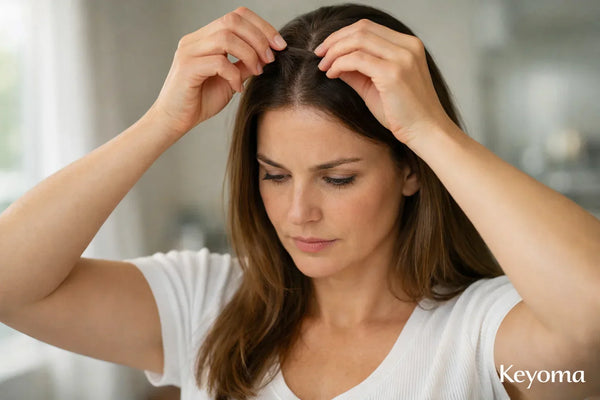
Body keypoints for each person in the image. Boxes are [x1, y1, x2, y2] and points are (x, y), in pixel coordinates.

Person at [0, 3, 598, 400]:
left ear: (412, 172)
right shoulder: (207, 305)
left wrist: (433, 132)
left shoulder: (485, 336)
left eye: (338, 179)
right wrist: (161, 122)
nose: (298, 212)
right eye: (275, 175)